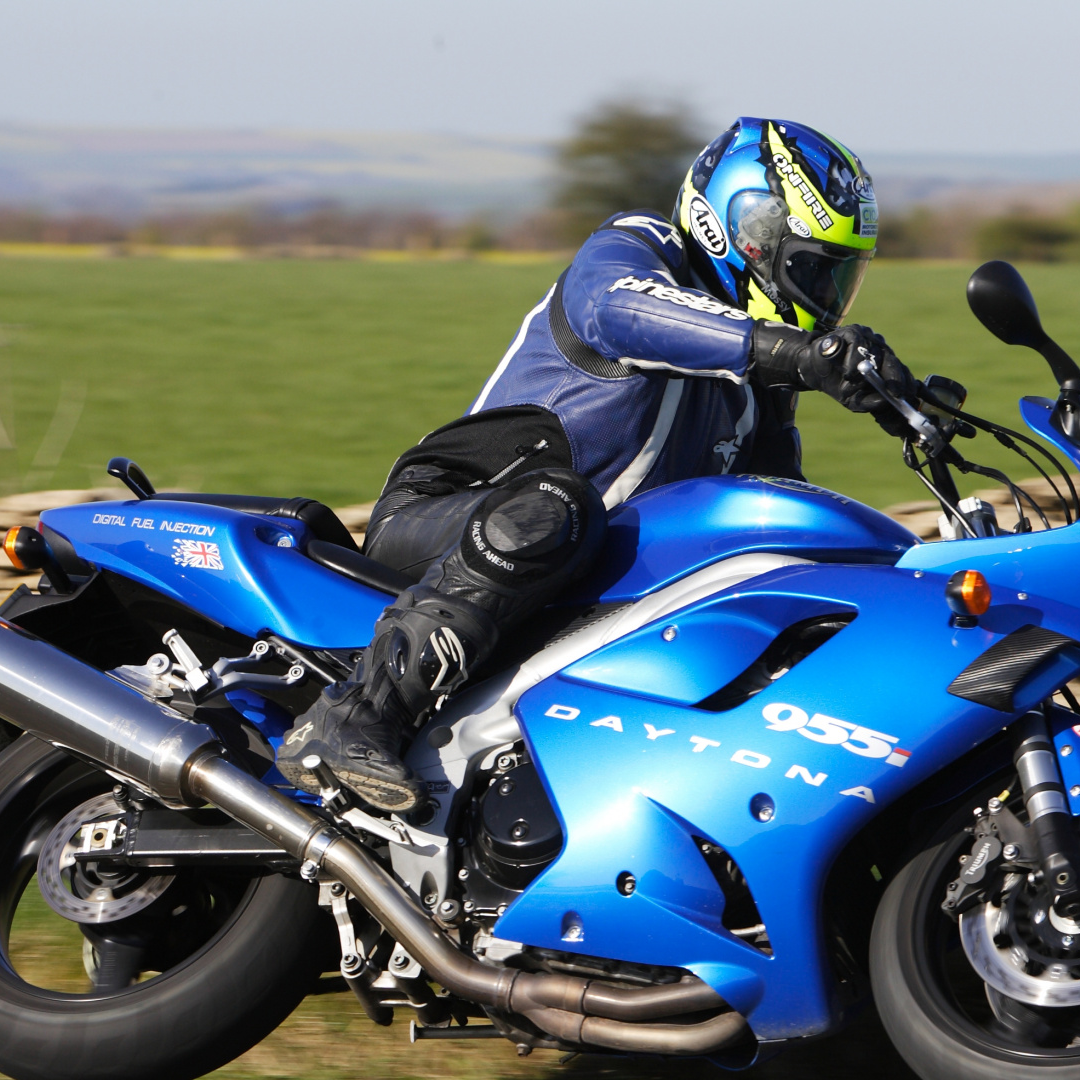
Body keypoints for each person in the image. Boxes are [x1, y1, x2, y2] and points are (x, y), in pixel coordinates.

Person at [279, 117, 919, 811]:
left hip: (572, 578)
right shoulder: (637, 250)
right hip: (452, 523)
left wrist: (901, 409)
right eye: (811, 269)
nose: (823, 301)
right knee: (559, 508)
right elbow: (613, 309)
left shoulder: (756, 389)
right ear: (739, 232)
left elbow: (776, 517)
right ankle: (354, 714)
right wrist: (793, 355)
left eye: (839, 279)